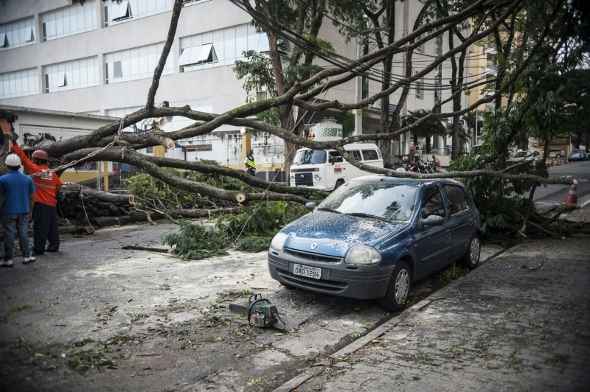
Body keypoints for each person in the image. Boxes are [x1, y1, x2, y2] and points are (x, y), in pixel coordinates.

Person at [8, 140, 63, 255]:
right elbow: (58, 185)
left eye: (33, 158)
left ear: (37, 160)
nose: (32, 160)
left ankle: (38, 249)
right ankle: (54, 245)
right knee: (52, 227)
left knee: (40, 228)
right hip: (52, 205)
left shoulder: (36, 170)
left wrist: (13, 143)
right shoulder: (51, 173)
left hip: (41, 204)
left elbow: (23, 159)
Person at [0, 154, 35, 267]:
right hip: (24, 210)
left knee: (9, 234)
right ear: (19, 165)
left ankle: (8, 259)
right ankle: (27, 256)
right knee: (24, 233)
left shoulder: (2, 179)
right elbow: (32, 197)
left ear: (7, 165)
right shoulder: (28, 178)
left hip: (8, 210)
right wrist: (30, 210)